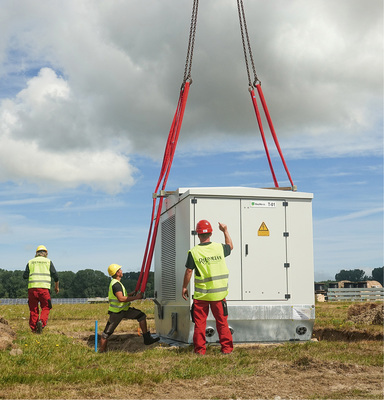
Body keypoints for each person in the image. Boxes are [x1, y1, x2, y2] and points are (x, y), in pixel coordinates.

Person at [182, 220, 234, 355]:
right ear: (211, 233)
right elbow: (230, 246)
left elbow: (189, 271)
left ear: (198, 234)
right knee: (222, 322)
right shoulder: (219, 248)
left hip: (202, 296)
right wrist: (225, 231)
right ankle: (227, 350)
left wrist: (184, 287)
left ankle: (200, 351)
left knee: (200, 324)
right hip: (219, 295)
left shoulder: (194, 252)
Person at [99, 264, 160, 352]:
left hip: (124, 310)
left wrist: (131, 294)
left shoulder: (117, 283)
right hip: (117, 312)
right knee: (106, 334)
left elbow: (122, 296)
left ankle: (147, 339)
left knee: (141, 316)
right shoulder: (116, 285)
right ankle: (102, 351)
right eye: (120, 269)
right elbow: (121, 299)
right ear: (117, 273)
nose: (121, 270)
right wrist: (137, 297)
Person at [23, 245, 59, 333]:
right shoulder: (48, 262)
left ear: (36, 253)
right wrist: (56, 287)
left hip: (32, 289)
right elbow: (56, 276)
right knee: (46, 306)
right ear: (46, 253)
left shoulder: (30, 262)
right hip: (44, 289)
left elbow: (24, 276)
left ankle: (34, 328)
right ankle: (41, 323)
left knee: (33, 309)